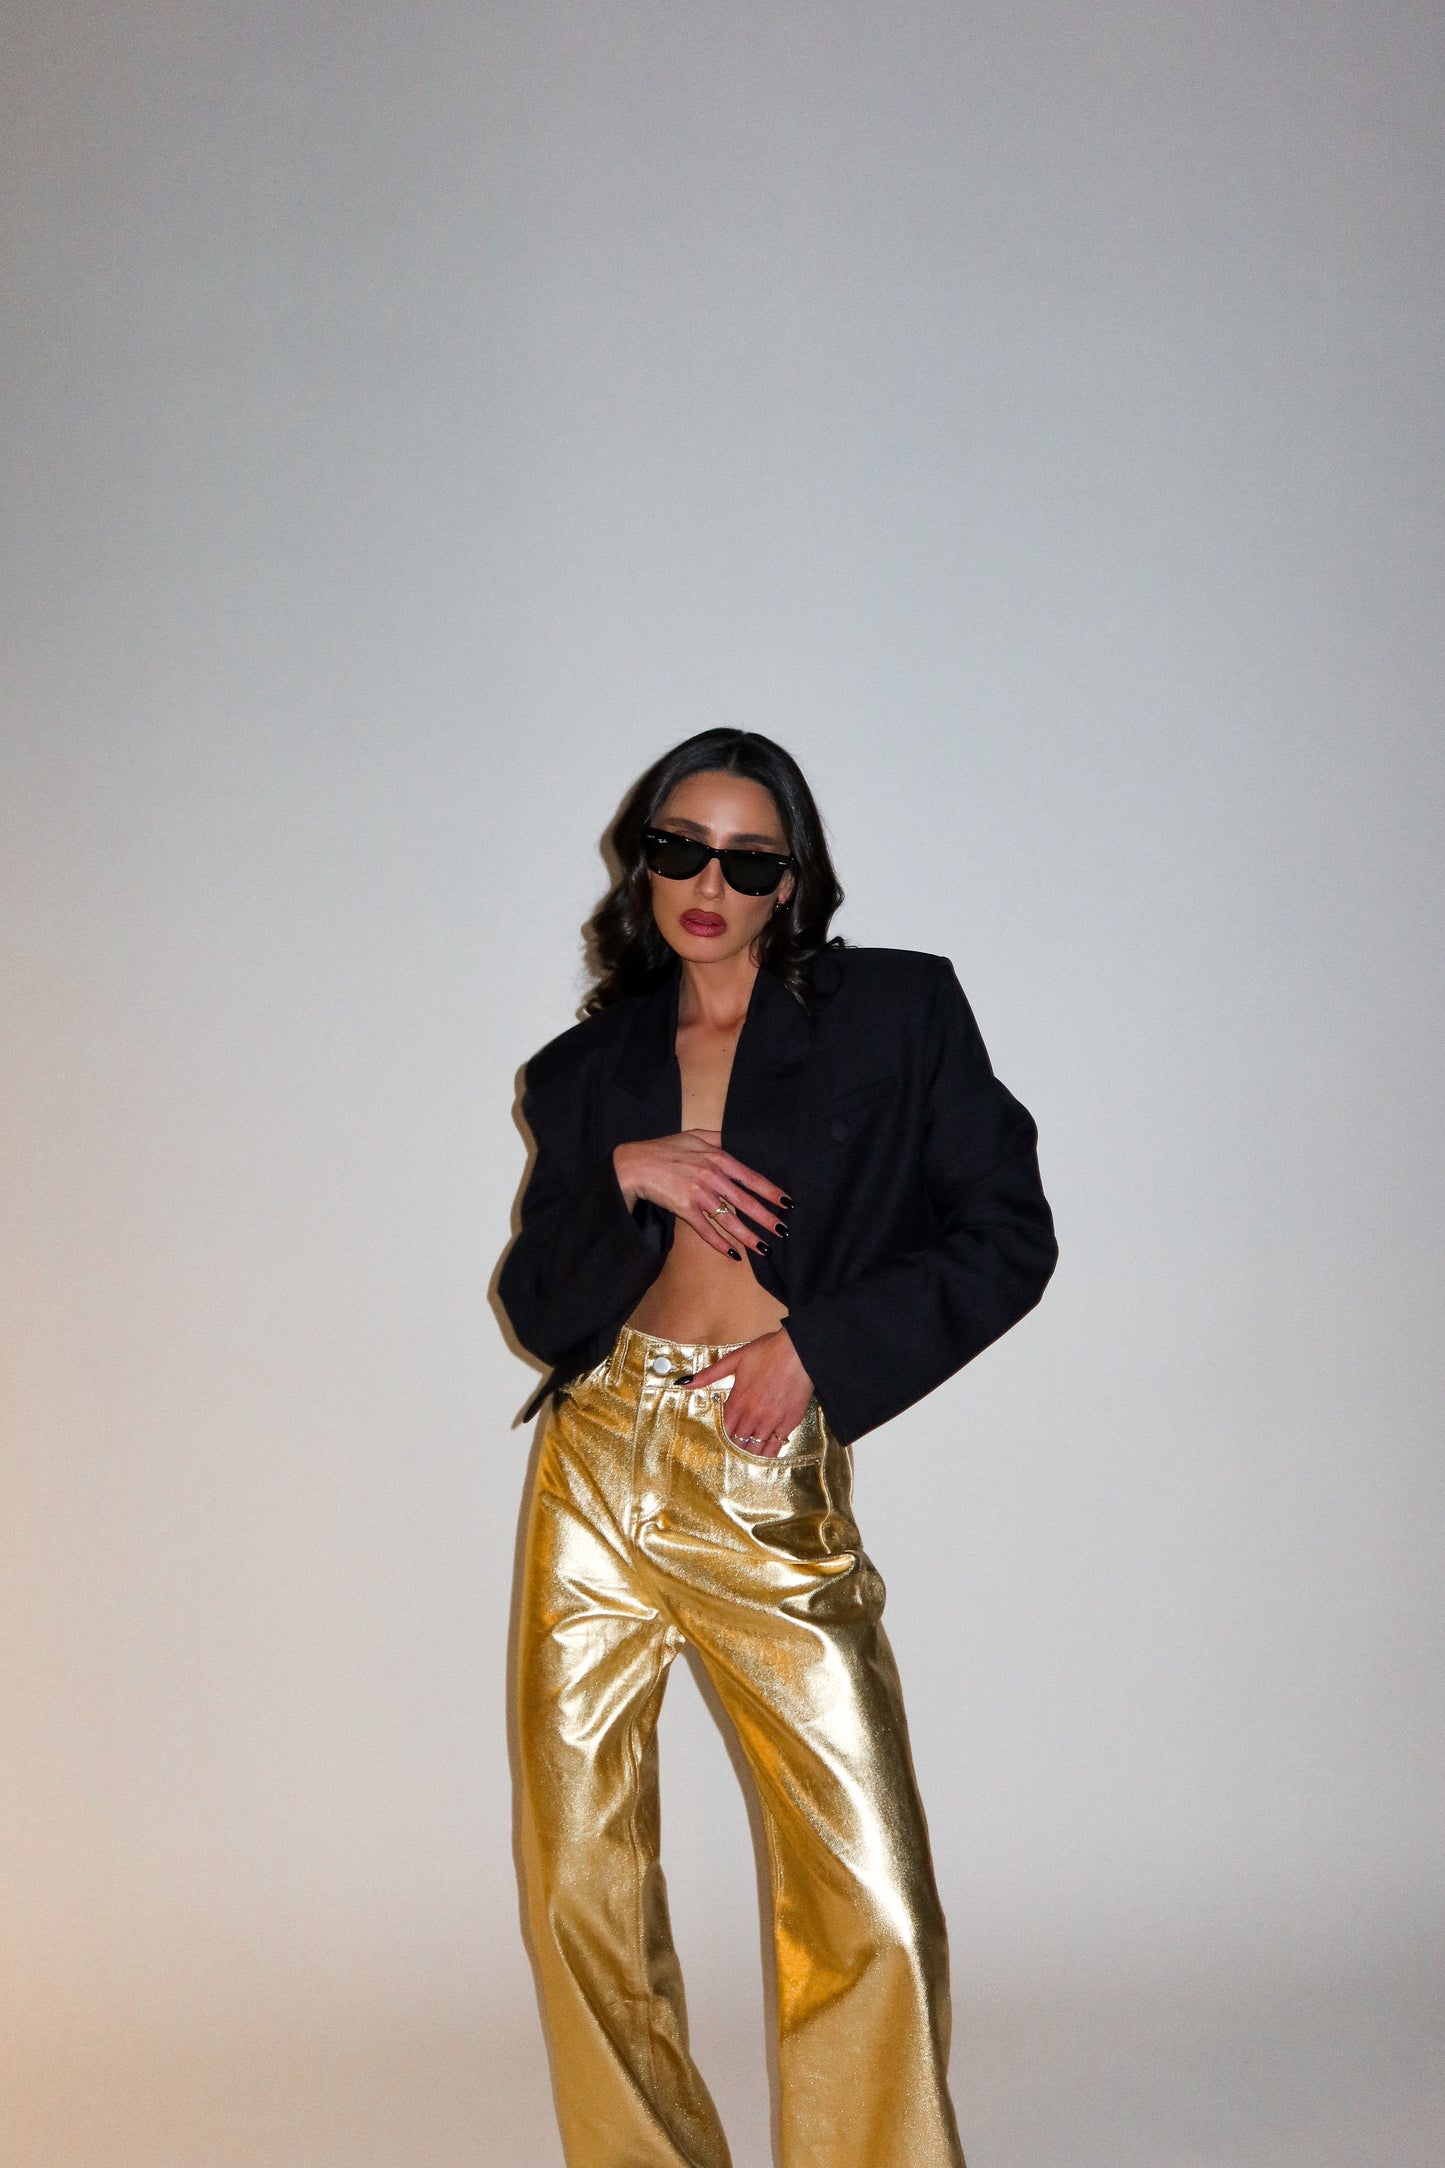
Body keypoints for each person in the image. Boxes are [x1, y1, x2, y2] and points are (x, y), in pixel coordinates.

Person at [497, 729, 1057, 2168]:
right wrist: (621, 1172)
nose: (709, 883)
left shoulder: (895, 1013)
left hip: (759, 1466)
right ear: (640, 861)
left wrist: (819, 1351)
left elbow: (1006, 1236)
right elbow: (538, 1302)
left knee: (864, 1885)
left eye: (748, 862)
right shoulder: (585, 1070)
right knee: (577, 1882)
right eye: (678, 848)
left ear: (792, 882)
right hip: (594, 1461)